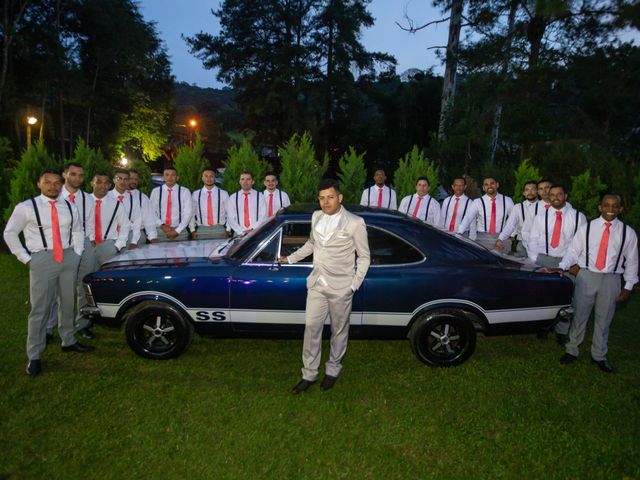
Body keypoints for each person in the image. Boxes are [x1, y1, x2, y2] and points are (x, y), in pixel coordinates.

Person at [281, 178, 370, 393]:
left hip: (342, 287)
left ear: (340, 197)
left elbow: (364, 257)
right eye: (322, 198)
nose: (325, 202)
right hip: (317, 284)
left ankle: (332, 370)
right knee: (311, 327)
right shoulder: (316, 216)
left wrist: (353, 285)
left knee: (339, 330)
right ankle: (309, 373)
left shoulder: (355, 222)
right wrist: (291, 259)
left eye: (330, 197)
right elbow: (312, 243)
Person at [3, 169, 93, 377]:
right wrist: (25, 258)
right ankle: (34, 355)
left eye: (56, 183)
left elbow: (78, 230)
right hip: (42, 259)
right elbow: (10, 233)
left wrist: (77, 254)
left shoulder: (69, 206)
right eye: (47, 182)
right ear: (39, 184)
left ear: (61, 184)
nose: (53, 186)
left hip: (68, 257)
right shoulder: (26, 207)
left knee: (68, 302)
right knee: (39, 309)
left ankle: (68, 340)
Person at [549, 194, 638, 373]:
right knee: (580, 315)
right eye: (607, 205)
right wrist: (562, 266)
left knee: (604, 320)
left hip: (611, 279)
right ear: (600, 207)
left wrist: (628, 286)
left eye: (615, 206)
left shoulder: (627, 232)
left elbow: (632, 261)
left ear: (621, 209)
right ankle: (572, 350)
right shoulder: (587, 228)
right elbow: (574, 251)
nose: (611, 209)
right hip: (587, 276)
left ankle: (599, 355)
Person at [528, 184, 587, 344]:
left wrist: (577, 263)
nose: (555, 197)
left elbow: (583, 244)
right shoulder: (541, 216)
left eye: (559, 194)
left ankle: (562, 331)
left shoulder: (577, 217)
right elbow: (532, 240)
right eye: (552, 194)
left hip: (567, 261)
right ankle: (543, 327)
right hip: (545, 259)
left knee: (566, 297)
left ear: (565, 196)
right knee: (543, 296)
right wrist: (535, 261)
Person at [56, 162, 96, 340]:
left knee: (84, 286)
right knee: (60, 289)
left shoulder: (88, 198)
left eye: (80, 175)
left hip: (84, 243)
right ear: (65, 174)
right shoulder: (54, 196)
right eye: (73, 174)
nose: (77, 178)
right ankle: (53, 326)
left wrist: (90, 242)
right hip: (62, 245)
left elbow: (91, 221)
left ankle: (82, 324)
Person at [458, 176, 514, 251]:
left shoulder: (507, 200)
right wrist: (459, 233)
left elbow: (514, 219)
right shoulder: (477, 202)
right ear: (483, 188)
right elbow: (468, 217)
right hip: (483, 238)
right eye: (486, 184)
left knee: (503, 262)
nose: (489, 186)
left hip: (502, 238)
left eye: (492, 183)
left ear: (497, 185)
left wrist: (511, 235)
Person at [89, 173, 130, 266]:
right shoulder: (85, 201)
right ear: (92, 183)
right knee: (86, 277)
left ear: (109, 185)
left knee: (108, 276)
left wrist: (117, 246)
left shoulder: (116, 204)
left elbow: (125, 225)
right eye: (98, 182)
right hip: (87, 246)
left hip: (108, 245)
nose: (103, 186)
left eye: (106, 183)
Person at [496, 180, 541, 256]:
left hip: (540, 244)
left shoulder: (544, 207)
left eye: (533, 189)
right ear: (523, 193)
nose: (530, 192)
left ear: (538, 192)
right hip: (522, 244)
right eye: (527, 190)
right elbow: (510, 225)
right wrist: (501, 238)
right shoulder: (518, 207)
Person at [149, 166, 192, 242]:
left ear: (177, 178)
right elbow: (151, 212)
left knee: (181, 254)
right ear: (163, 178)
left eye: (173, 175)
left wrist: (177, 231)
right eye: (167, 174)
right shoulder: (156, 191)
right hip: (161, 231)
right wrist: (162, 225)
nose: (170, 177)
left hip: (180, 231)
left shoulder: (185, 191)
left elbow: (188, 214)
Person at [190, 166, 229, 239]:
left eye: (211, 176)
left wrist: (228, 230)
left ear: (215, 178)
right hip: (202, 229)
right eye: (206, 176)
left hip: (219, 229)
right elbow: (191, 213)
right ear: (202, 178)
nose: (208, 178)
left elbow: (230, 213)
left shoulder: (223, 194)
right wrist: (192, 230)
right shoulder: (195, 194)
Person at [109, 168, 142, 250]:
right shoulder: (106, 197)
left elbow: (137, 222)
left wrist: (134, 241)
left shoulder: (133, 200)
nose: (122, 182)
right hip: (108, 238)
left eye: (126, 179)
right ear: (114, 180)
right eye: (119, 178)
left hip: (127, 237)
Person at [226, 171, 267, 236]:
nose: (245, 182)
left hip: (256, 233)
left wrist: (252, 230)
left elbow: (263, 216)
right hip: (238, 233)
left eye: (248, 179)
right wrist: (241, 232)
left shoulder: (260, 196)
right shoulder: (233, 197)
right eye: (242, 179)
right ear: (239, 182)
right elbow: (230, 218)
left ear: (253, 182)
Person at [127, 169, 158, 245]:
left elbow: (149, 219)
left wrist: (152, 237)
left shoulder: (143, 198)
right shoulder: (111, 196)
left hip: (136, 235)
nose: (134, 181)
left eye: (136, 179)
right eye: (131, 179)